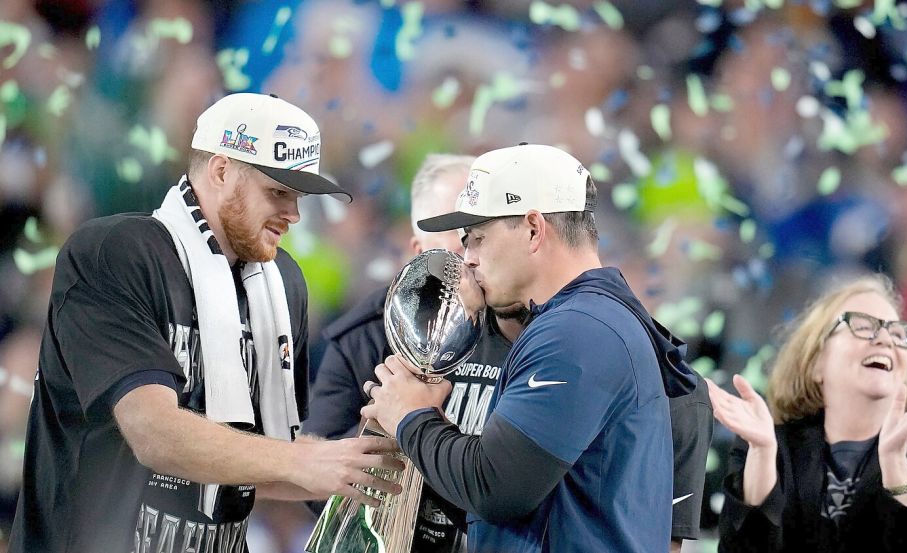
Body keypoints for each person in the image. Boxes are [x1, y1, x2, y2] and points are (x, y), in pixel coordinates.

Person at [9, 93, 403, 553]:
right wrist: (305, 461)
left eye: (298, 197)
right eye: (278, 192)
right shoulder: (116, 253)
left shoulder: (282, 284)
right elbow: (152, 432)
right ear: (220, 172)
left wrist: (368, 463)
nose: (294, 214)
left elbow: (259, 463)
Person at [306, 151, 713, 553]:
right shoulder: (589, 320)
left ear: (533, 229)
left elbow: (494, 489)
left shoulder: (576, 330)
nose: (468, 258)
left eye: (477, 238)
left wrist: (411, 417)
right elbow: (516, 500)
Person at [304, 153, 526, 552]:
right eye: (455, 231)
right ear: (417, 248)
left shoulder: (525, 325)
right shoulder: (367, 335)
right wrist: (386, 423)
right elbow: (313, 482)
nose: (469, 250)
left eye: (479, 231)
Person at [708, 275, 907, 552]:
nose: (885, 339)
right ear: (816, 362)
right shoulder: (768, 449)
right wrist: (763, 454)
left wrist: (897, 472)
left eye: (898, 333)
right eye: (862, 326)